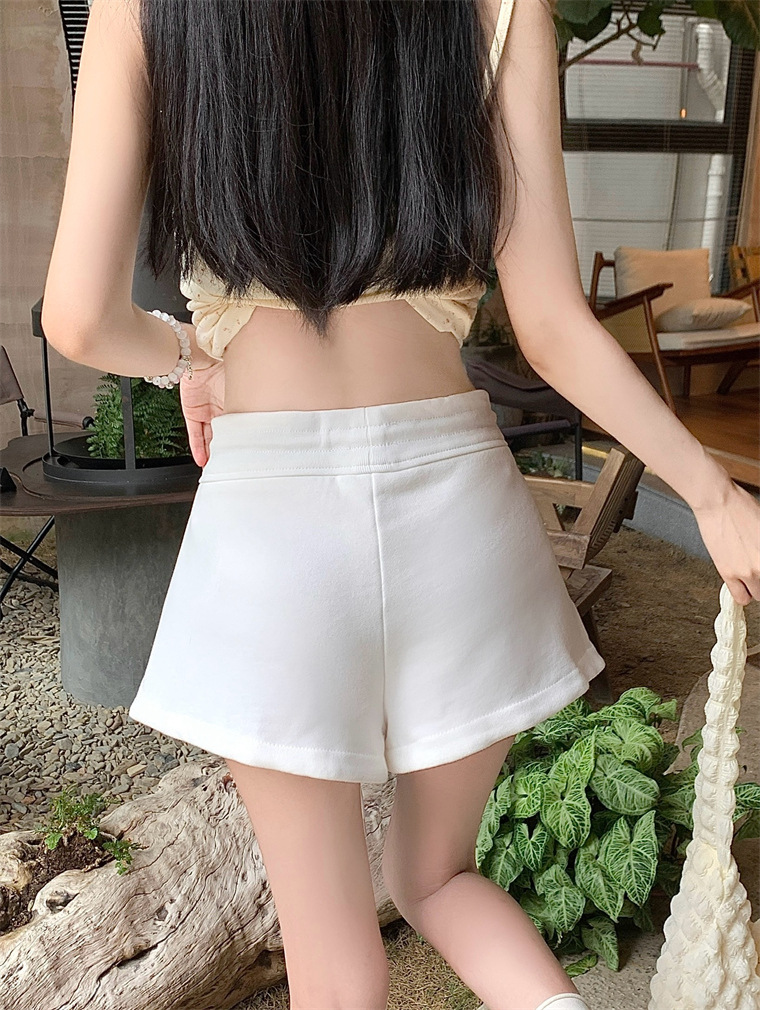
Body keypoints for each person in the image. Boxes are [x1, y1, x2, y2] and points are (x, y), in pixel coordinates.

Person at [40, 1, 760, 1008]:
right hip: (460, 513)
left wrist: (191, 356)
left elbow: (78, 317)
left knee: (334, 961)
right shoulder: (503, 10)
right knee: (437, 877)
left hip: (270, 529)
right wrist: (713, 494)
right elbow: (553, 325)